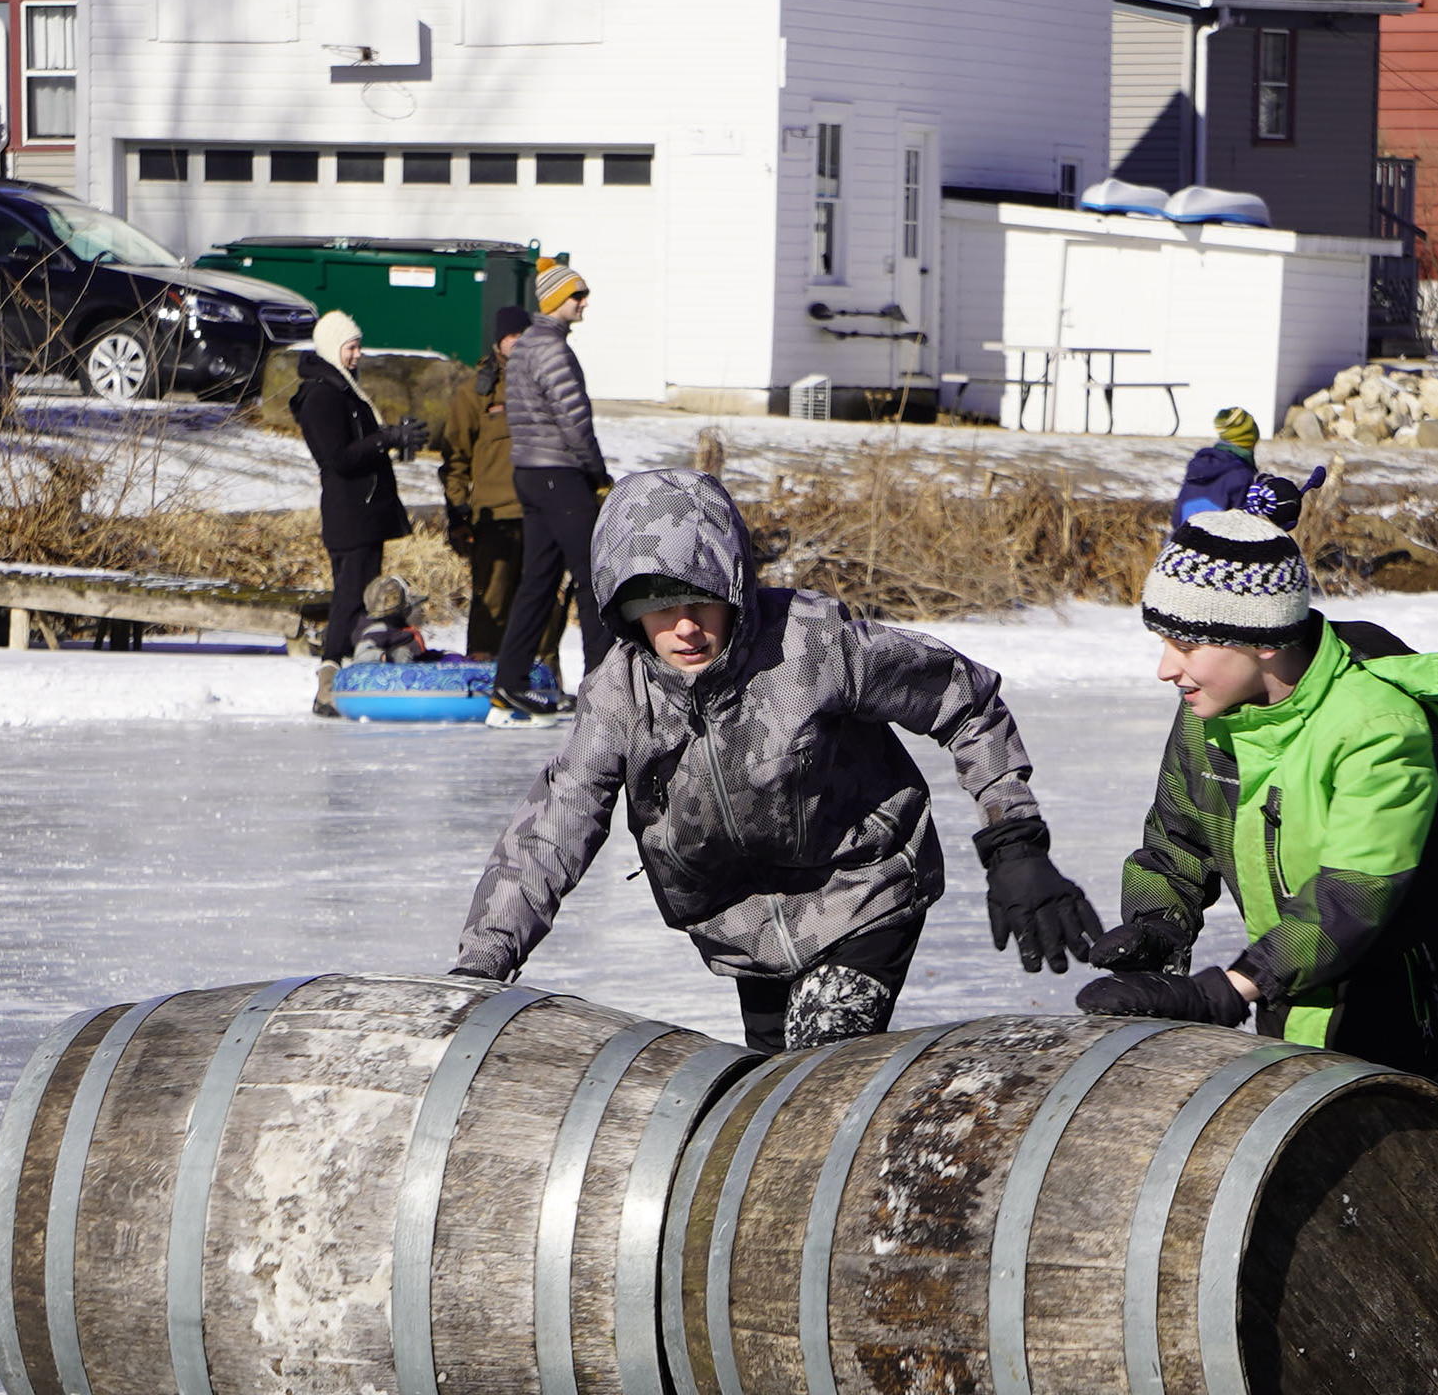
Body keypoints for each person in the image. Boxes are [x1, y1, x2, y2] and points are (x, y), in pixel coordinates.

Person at [1073, 479, 1438, 1395]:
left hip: (1418, 1010)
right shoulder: (1217, 715)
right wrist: (1152, 924)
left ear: (1260, 639)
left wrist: (1228, 987)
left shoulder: (1377, 727)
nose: (1166, 666)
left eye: (1185, 642)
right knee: (1311, 1237)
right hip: (1306, 1001)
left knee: (1409, 1245)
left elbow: (1353, 901)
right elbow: (1178, 838)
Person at [452, 468, 1103, 1053]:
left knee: (817, 1065)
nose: (683, 628)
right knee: (775, 1105)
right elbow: (555, 824)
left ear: (732, 585)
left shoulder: (813, 646)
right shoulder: (618, 694)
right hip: (739, 930)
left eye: (699, 600)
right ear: (623, 612)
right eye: (657, 608)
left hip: (860, 892)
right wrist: (483, 963)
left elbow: (962, 697)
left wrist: (1013, 840)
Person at [488, 262, 610, 726]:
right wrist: (596, 470)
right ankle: (601, 689)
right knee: (592, 578)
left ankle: (510, 682)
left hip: (531, 473)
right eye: (577, 295)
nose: (583, 303)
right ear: (557, 299)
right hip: (559, 473)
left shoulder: (523, 347)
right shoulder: (553, 349)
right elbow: (574, 419)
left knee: (537, 581)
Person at [291, 309, 427, 713]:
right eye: (351, 348)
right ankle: (328, 682)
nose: (358, 355)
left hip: (365, 512)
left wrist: (394, 441)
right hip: (350, 513)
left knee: (359, 599)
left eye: (358, 347)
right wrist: (385, 439)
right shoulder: (322, 396)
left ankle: (353, 675)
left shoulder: (346, 391)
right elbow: (338, 459)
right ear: (333, 349)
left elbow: (361, 448)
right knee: (349, 598)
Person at [440, 306, 563, 665]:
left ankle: (544, 677)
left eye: (525, 337)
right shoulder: (474, 393)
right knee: (490, 600)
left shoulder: (549, 385)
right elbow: (455, 461)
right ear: (498, 343)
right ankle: (482, 674)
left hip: (542, 513)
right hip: (493, 517)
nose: (519, 343)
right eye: (512, 337)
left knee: (544, 599)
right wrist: (458, 513)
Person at [1171, 406, 1263, 526]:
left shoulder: (1198, 467)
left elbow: (1176, 519)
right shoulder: (1241, 475)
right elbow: (1244, 528)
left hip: (1182, 540)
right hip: (1218, 543)